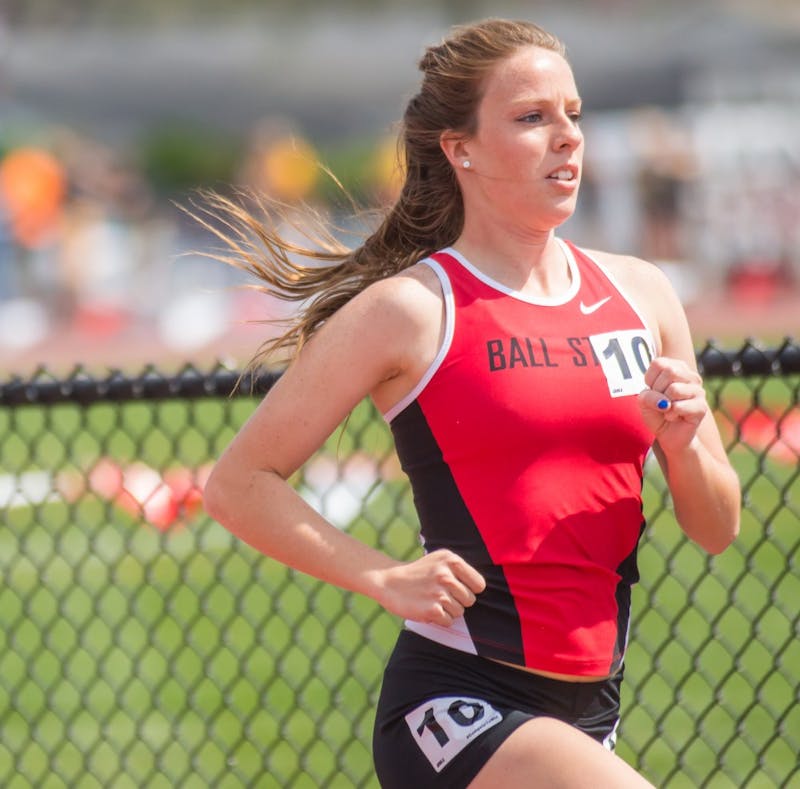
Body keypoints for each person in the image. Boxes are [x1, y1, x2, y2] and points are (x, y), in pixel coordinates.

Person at [200, 18, 741, 788]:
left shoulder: (643, 296)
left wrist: (686, 443)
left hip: (592, 712)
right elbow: (237, 482)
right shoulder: (412, 310)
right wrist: (382, 576)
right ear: (462, 149)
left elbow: (717, 527)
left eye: (574, 115)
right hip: (459, 700)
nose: (567, 138)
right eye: (532, 118)